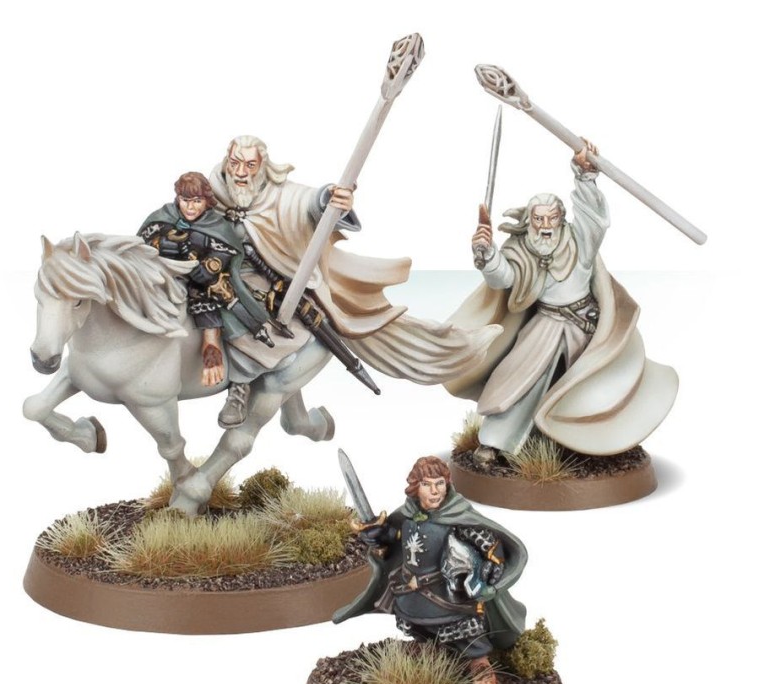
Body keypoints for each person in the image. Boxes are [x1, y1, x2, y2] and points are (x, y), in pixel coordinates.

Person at [208, 135, 502, 426]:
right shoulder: (211, 193)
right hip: (211, 274)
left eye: (250, 165)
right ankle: (298, 422)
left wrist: (331, 200)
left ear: (263, 167)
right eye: (235, 163)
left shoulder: (279, 196)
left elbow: (307, 201)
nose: (241, 172)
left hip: (266, 284)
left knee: (253, 326)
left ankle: (239, 388)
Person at [445, 142, 678, 462]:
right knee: (519, 382)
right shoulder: (523, 249)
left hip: (586, 327)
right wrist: (487, 255)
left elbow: (595, 219)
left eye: (551, 219)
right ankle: (495, 442)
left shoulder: (579, 241)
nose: (545, 226)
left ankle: (592, 445)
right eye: (538, 219)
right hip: (546, 326)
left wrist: (584, 176)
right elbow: (504, 278)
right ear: (530, 221)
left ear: (561, 219)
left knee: (592, 385)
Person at [334, 456, 527, 684]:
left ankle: (480, 665)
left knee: (464, 630)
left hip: (448, 594)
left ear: (447, 485)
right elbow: (396, 541)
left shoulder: (457, 517)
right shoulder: (408, 515)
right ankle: (433, 651)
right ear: (416, 488)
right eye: (427, 484)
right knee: (415, 624)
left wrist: (489, 575)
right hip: (409, 591)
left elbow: (490, 545)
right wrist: (379, 535)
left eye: (440, 484)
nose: (435, 491)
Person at [138, 172, 272, 420]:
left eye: (197, 201)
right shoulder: (163, 217)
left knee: (210, 299)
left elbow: (226, 249)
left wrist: (211, 265)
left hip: (202, 285)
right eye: (185, 200)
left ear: (206, 202)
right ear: (178, 198)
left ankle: (214, 354)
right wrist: (158, 248)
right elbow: (142, 244)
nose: (190, 207)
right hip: (161, 280)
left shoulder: (215, 224)